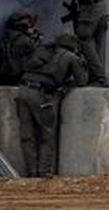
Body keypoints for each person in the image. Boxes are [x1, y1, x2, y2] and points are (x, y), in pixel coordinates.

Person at [16, 32, 89, 178]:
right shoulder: (70, 57)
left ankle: (31, 173)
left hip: (23, 91)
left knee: (27, 136)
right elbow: (82, 80)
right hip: (42, 95)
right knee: (46, 135)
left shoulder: (42, 50)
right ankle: (43, 173)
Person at [0, 10, 44, 85]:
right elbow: (35, 56)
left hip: (3, 76)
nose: (29, 28)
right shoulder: (23, 39)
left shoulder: (6, 38)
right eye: (27, 26)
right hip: (16, 76)